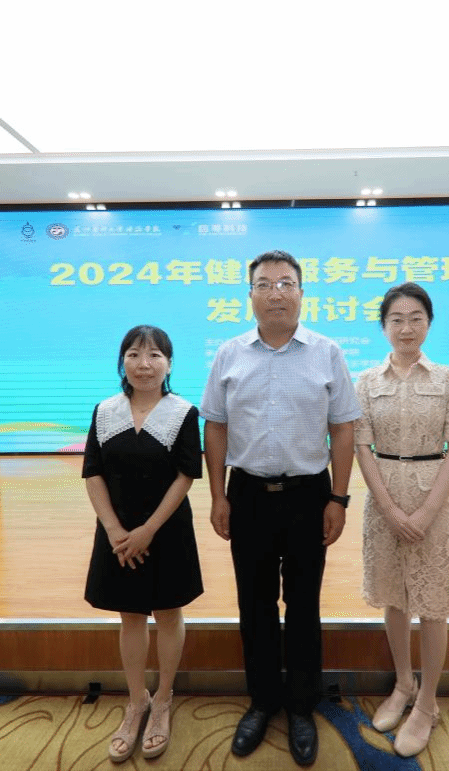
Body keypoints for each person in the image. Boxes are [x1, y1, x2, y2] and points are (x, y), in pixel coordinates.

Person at [201, 250, 361, 767]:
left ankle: (301, 706)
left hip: (308, 497)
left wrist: (338, 498)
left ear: (301, 294)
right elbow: (215, 426)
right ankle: (263, 701)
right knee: (255, 604)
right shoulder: (229, 354)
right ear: (250, 295)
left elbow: (343, 429)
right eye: (265, 284)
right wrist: (218, 495)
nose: (276, 293)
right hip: (247, 495)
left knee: (304, 604)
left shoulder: (327, 352)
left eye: (286, 283)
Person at [353, 282, 449, 758]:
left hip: (431, 501)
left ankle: (427, 702)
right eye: (396, 319)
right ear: (383, 326)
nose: (406, 327)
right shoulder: (366, 381)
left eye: (416, 318)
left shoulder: (448, 378)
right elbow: (362, 446)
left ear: (429, 323)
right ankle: (403, 684)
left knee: (433, 602)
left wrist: (425, 511)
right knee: (394, 597)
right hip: (383, 502)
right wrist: (390, 509)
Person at [81, 325, 203, 763]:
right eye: (134, 354)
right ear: (122, 362)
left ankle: (163, 700)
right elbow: (93, 472)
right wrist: (115, 530)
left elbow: (186, 476)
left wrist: (148, 530)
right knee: (130, 615)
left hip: (166, 531)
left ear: (169, 364)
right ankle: (137, 703)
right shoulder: (105, 411)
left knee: (168, 613)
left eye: (154, 355)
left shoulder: (183, 413)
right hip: (116, 534)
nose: (144, 364)